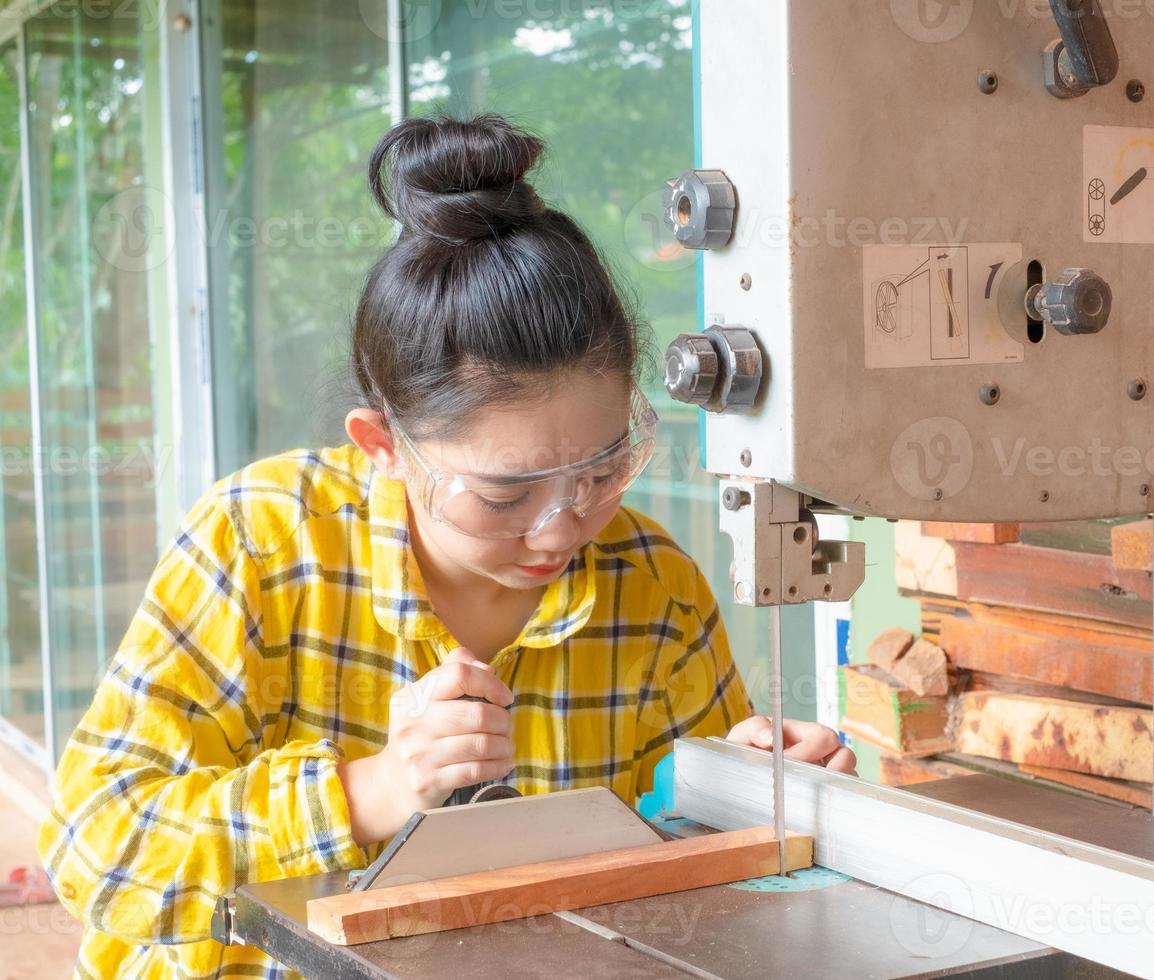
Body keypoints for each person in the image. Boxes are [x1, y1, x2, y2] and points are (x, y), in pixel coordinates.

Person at [37, 113, 855, 978]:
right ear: (383, 447)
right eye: (505, 494)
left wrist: (765, 783)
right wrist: (371, 791)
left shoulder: (653, 581)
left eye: (603, 470)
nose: (563, 528)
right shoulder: (264, 539)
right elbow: (97, 853)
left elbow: (699, 848)